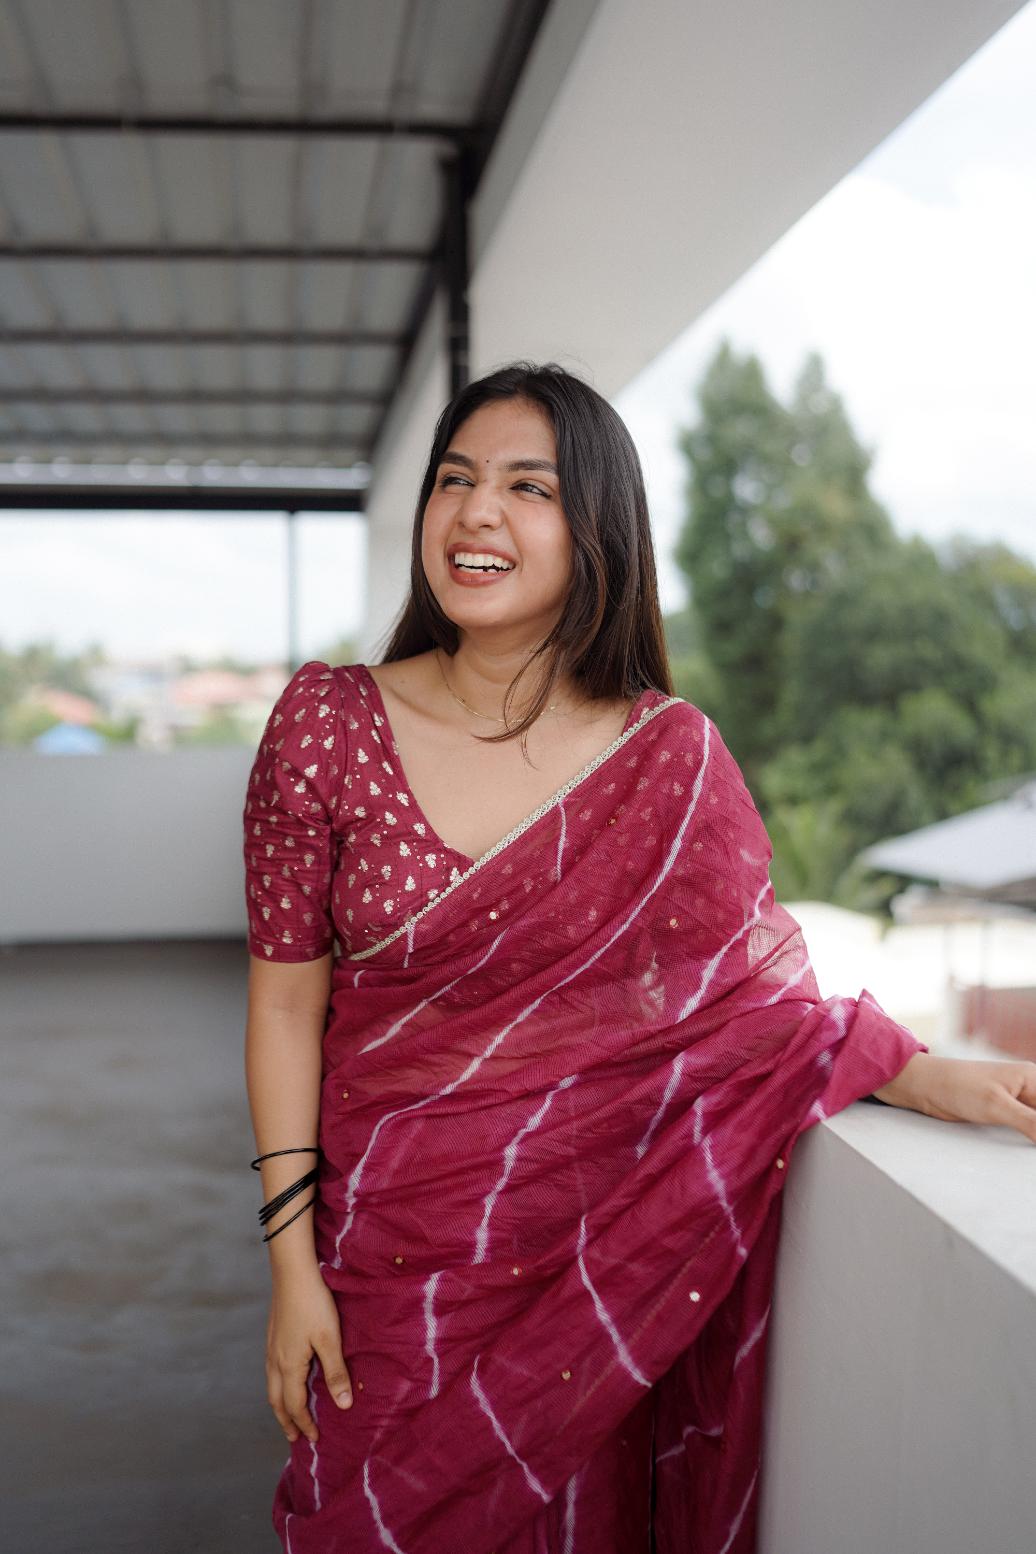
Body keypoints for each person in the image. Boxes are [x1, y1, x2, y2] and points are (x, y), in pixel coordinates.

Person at [242, 360, 1036, 1554]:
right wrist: (291, 1267)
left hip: (578, 1270)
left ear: (597, 528)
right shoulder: (328, 724)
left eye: (526, 486)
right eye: (453, 479)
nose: (475, 514)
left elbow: (744, 1010)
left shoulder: (667, 758)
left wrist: (911, 1071)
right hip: (388, 1266)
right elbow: (286, 1009)